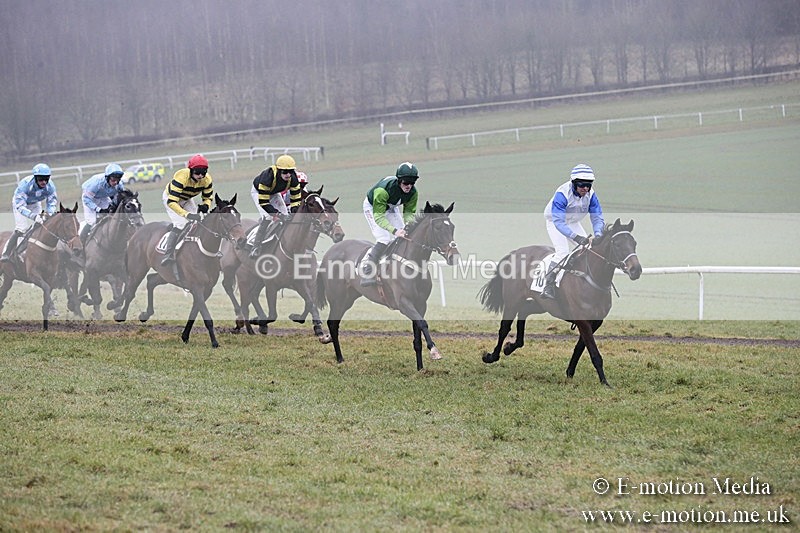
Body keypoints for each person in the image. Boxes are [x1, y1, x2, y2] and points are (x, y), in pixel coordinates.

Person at [540, 163, 605, 299]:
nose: (585, 188)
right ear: (574, 183)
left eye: (588, 185)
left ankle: (583, 280)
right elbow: (559, 222)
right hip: (555, 222)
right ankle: (548, 285)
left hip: (573, 222)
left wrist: (598, 234)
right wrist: (575, 237)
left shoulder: (591, 195)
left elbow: (597, 217)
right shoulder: (562, 194)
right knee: (563, 252)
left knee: (588, 248)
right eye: (582, 185)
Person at [360, 161, 419, 287]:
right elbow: (379, 217)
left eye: (412, 183)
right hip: (373, 208)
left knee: (403, 235)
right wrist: (394, 230)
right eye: (406, 182)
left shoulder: (413, 193)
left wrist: (407, 226)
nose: (409, 186)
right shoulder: (382, 191)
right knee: (384, 238)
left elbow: (409, 213)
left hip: (391, 207)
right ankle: (367, 269)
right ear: (399, 180)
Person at [160, 154, 214, 265]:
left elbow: (208, 197)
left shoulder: (207, 180)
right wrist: (187, 214)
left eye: (203, 172)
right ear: (190, 170)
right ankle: (168, 254)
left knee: (198, 222)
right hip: (171, 199)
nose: (200, 176)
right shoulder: (182, 177)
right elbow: (172, 202)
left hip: (186, 198)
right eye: (197, 172)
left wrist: (206, 205)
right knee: (181, 224)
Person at [2, 163, 58, 262]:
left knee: (41, 224)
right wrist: (33, 216)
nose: (44, 182)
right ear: (35, 178)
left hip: (35, 203)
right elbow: (20, 206)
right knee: (22, 229)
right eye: (41, 179)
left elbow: (52, 202)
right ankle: (6, 253)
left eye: (46, 179)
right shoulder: (25, 185)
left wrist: (48, 213)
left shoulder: (51, 186)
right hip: (20, 204)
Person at [249, 154, 302, 258]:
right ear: (278, 170)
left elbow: (296, 199)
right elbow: (264, 202)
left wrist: (294, 212)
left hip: (274, 192)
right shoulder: (268, 176)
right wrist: (278, 215)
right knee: (268, 217)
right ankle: (256, 246)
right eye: (285, 172)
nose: (288, 175)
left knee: (287, 215)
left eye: (290, 171)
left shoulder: (294, 178)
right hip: (259, 193)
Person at [80, 163, 125, 241]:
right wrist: (99, 209)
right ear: (107, 178)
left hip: (103, 197)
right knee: (92, 222)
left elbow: (120, 198)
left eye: (117, 180)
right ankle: (81, 243)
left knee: (110, 216)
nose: (115, 183)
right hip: (89, 198)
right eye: (113, 180)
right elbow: (86, 199)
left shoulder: (119, 185)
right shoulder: (96, 183)